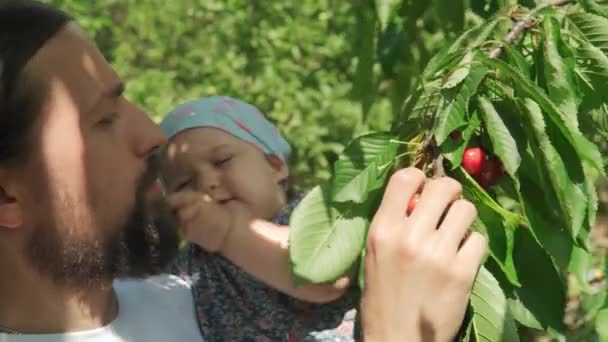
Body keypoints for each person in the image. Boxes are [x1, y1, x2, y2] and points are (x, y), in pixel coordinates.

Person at [0, 1, 487, 341]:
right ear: (6, 196)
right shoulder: (202, 274)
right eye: (103, 119)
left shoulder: (184, 287)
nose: (151, 134)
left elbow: (316, 270)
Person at [159, 96, 358, 341]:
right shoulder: (188, 269)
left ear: (275, 165)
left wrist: (227, 232)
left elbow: (326, 273)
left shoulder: (314, 215)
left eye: (221, 161)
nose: (205, 183)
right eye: (183, 183)